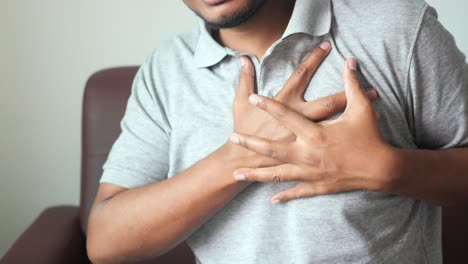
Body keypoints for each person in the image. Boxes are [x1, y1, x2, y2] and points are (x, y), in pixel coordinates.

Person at [86, 0, 468, 263]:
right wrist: (239, 156)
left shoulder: (397, 28)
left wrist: (387, 169)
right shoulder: (166, 70)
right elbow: (106, 241)